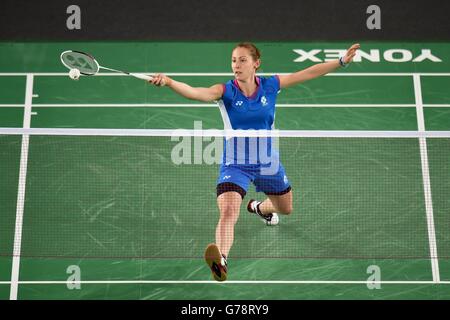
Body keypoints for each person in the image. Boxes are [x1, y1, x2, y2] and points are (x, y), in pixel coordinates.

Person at [149, 42, 360, 281]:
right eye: (233, 60)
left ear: (255, 63)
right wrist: (169, 82)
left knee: (285, 208)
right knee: (228, 211)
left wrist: (341, 62)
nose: (236, 65)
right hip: (235, 164)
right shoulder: (225, 91)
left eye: (242, 60)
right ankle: (222, 260)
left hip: (267, 161)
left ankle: (259, 208)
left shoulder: (271, 86)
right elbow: (197, 93)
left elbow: (307, 73)